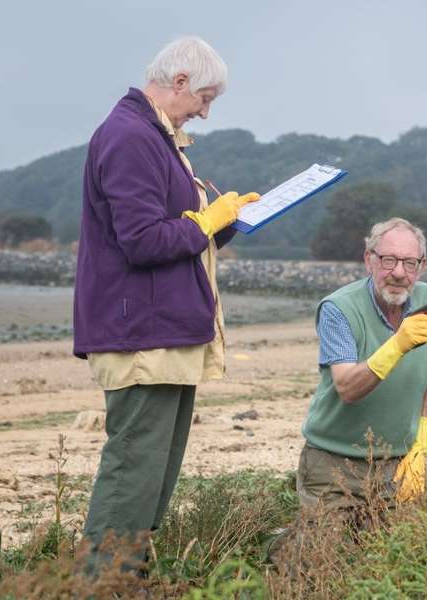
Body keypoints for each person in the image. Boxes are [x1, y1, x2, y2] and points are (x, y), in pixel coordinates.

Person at [73, 36, 260, 571]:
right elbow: (141, 240)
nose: (205, 110)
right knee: (134, 468)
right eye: (204, 97)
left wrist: (228, 224)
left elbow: (179, 239)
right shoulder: (130, 136)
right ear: (178, 82)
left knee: (155, 470)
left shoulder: (157, 136)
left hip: (165, 330)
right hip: (141, 335)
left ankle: (128, 575)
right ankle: (100, 583)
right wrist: (206, 220)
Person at [297, 217, 427, 520]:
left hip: (397, 463)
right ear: (368, 260)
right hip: (331, 463)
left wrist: (420, 451)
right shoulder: (338, 308)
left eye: (409, 263)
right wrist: (397, 345)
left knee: (391, 558)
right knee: (325, 558)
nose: (398, 273)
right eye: (388, 260)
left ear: (422, 266)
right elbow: (347, 388)